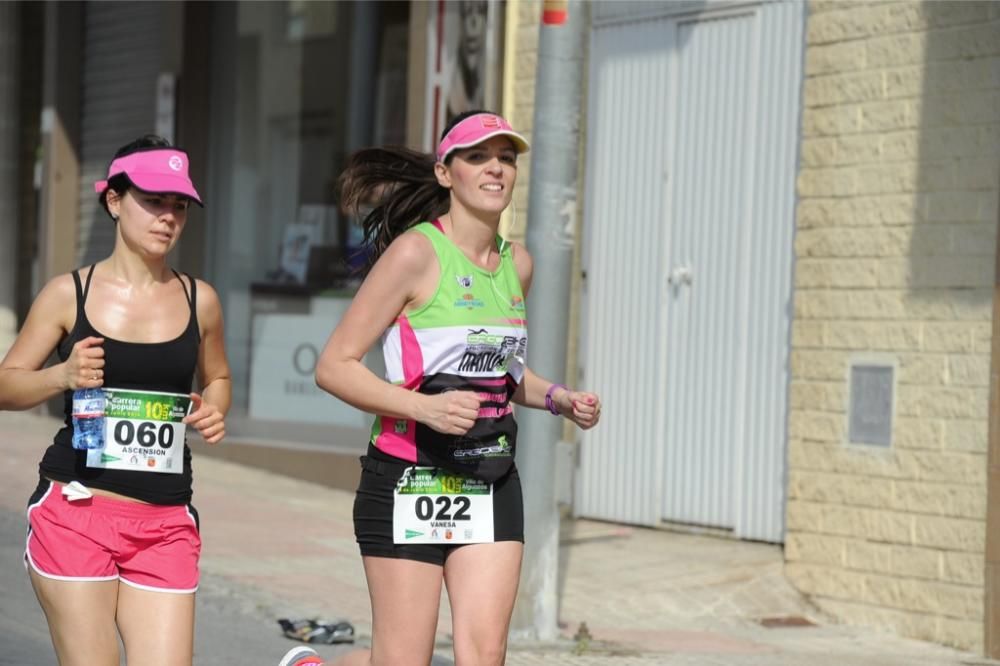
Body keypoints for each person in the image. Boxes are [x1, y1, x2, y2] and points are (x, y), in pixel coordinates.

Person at [313, 110, 602, 666]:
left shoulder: (517, 264)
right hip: (408, 475)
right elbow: (335, 365)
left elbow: (504, 372)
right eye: (478, 157)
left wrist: (558, 397)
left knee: (484, 653)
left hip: (490, 478)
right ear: (447, 174)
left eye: (506, 158)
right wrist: (425, 407)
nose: (496, 169)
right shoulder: (415, 254)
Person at [0, 135, 232, 666]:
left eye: (179, 206)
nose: (167, 217)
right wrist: (61, 375)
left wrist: (214, 408)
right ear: (113, 200)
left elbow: (218, 377)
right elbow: (6, 384)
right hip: (76, 510)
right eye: (153, 200)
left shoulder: (202, 301)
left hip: (165, 520)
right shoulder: (68, 293)